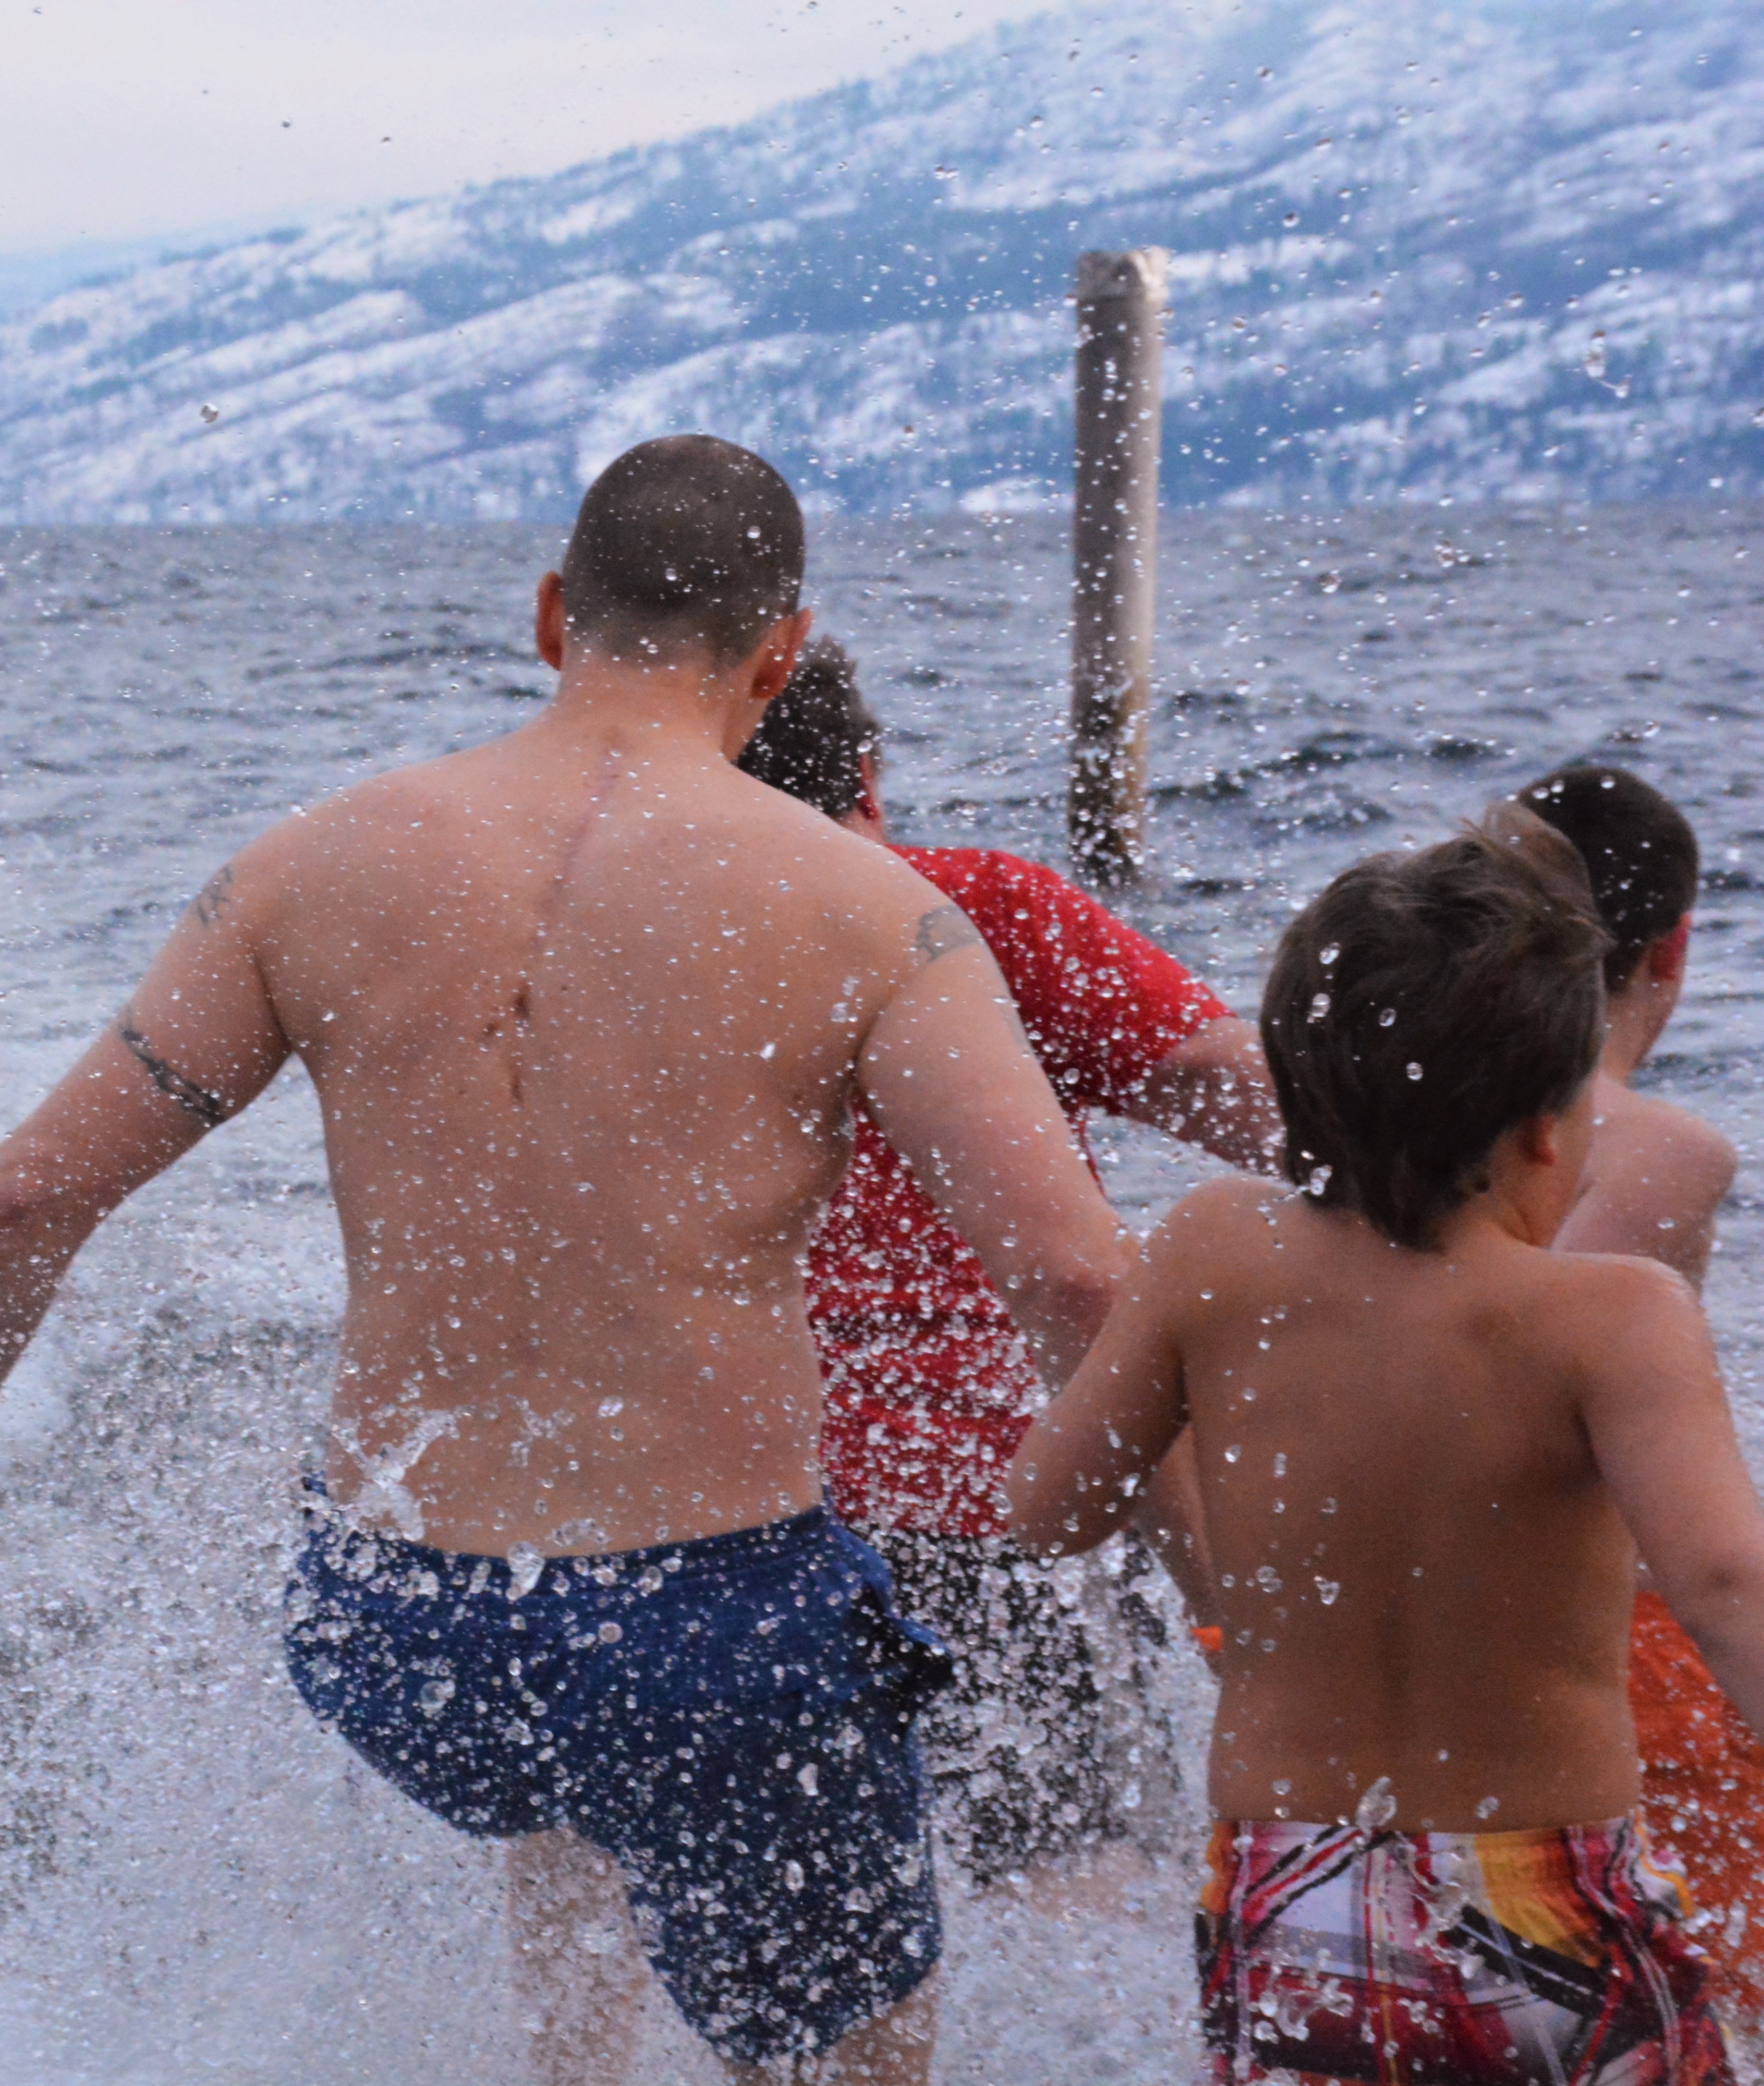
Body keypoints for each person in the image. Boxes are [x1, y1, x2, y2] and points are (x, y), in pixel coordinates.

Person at [0, 437, 1138, 2082]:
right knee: (826, 2029)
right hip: (713, 1621)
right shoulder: (870, 909)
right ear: (782, 652)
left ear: (552, 612)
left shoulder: (307, 867)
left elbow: (25, 1203)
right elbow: (1072, 1284)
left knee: (574, 1806)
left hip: (394, 1623)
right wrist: (1177, 1546)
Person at [1007, 810, 1763, 2082]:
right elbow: (1728, 1587)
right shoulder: (1613, 1314)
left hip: (1287, 1885)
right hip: (1546, 1887)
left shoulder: (1212, 1251)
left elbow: (1049, 1508)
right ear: (1544, 1130)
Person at [737, 638, 1278, 1884]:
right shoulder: (980, 911)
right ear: (866, 774)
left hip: (728, 1531)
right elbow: (1252, 1110)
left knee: (776, 1938)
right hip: (997, 1511)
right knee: (1068, 1908)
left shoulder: (647, 957)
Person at [1518, 761, 1760, 2027]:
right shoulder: (1657, 1146)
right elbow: (1519, 1380)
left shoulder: (1401, 1125)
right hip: (1612, 1648)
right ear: (1672, 944)